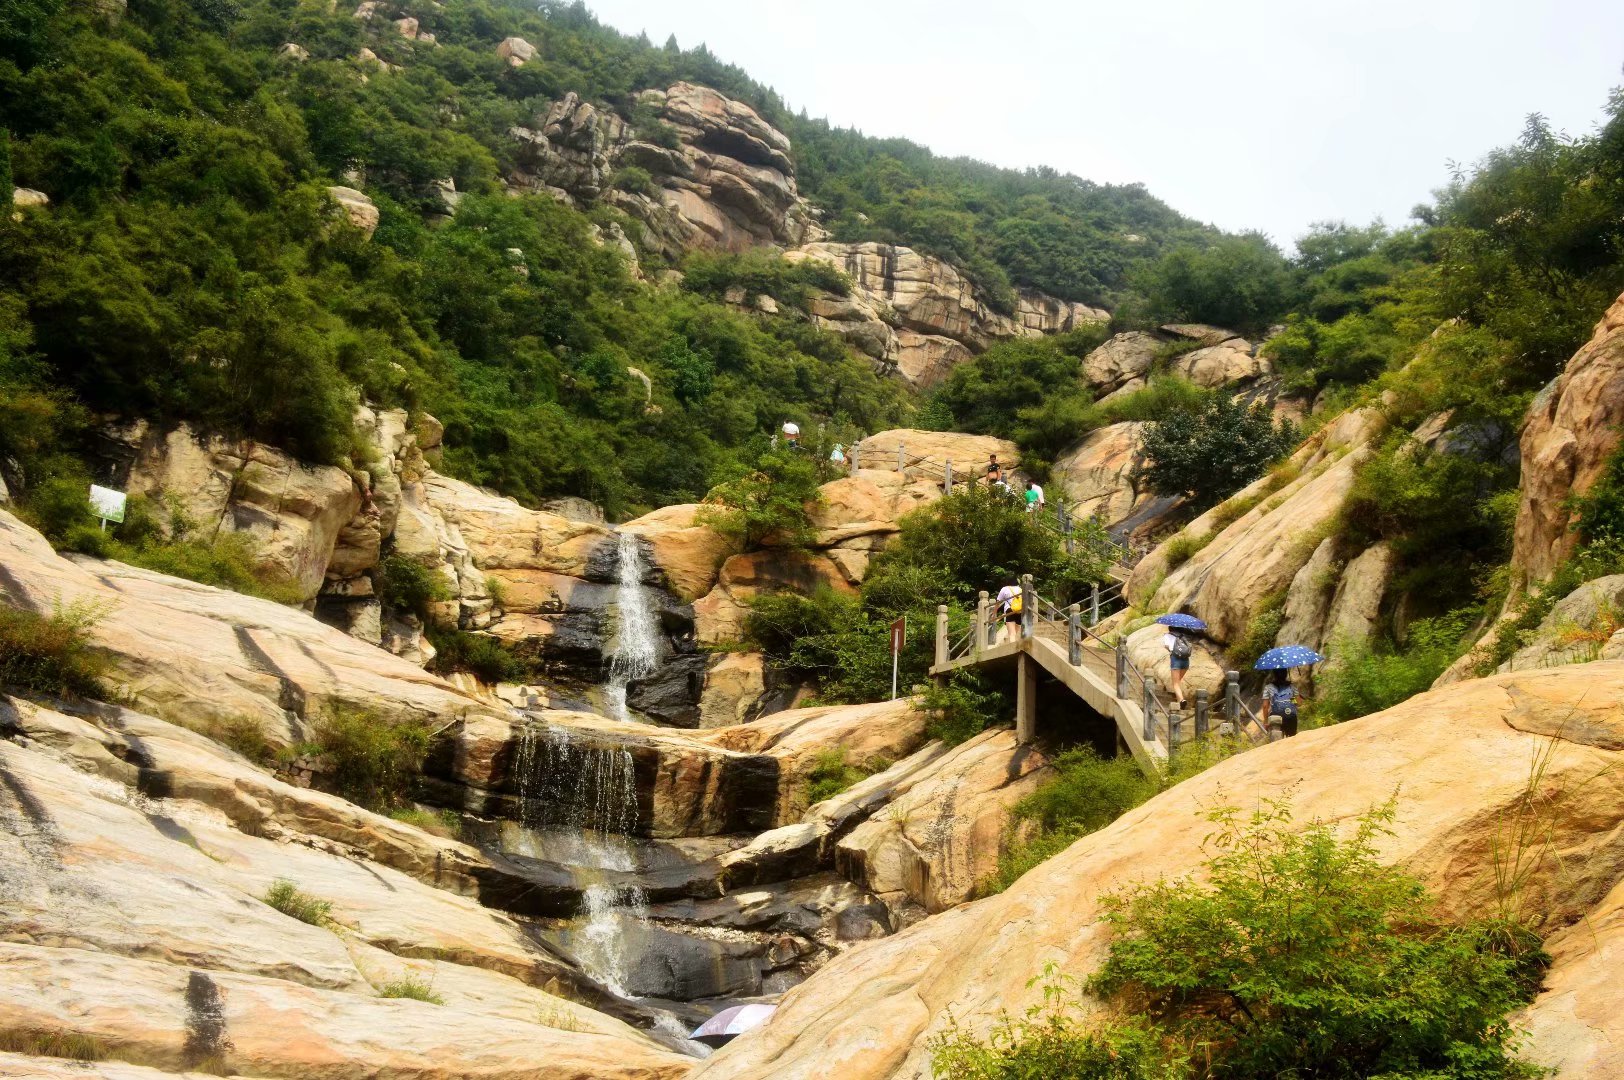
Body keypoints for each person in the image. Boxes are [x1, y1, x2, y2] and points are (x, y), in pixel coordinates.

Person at [1162, 627, 1193, 709]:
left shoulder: (1167, 635)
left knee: (1175, 683)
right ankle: (1179, 701)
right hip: (1186, 661)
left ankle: (1182, 700)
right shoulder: (1184, 636)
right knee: (1178, 681)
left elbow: (1166, 646)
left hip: (1176, 660)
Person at [995, 577, 1023, 643]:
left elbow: (998, 602)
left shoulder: (1004, 589)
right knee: (1016, 633)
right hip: (1019, 611)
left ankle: (1014, 651)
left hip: (1009, 610)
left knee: (1012, 634)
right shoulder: (1020, 589)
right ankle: (1018, 650)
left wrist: (994, 613)